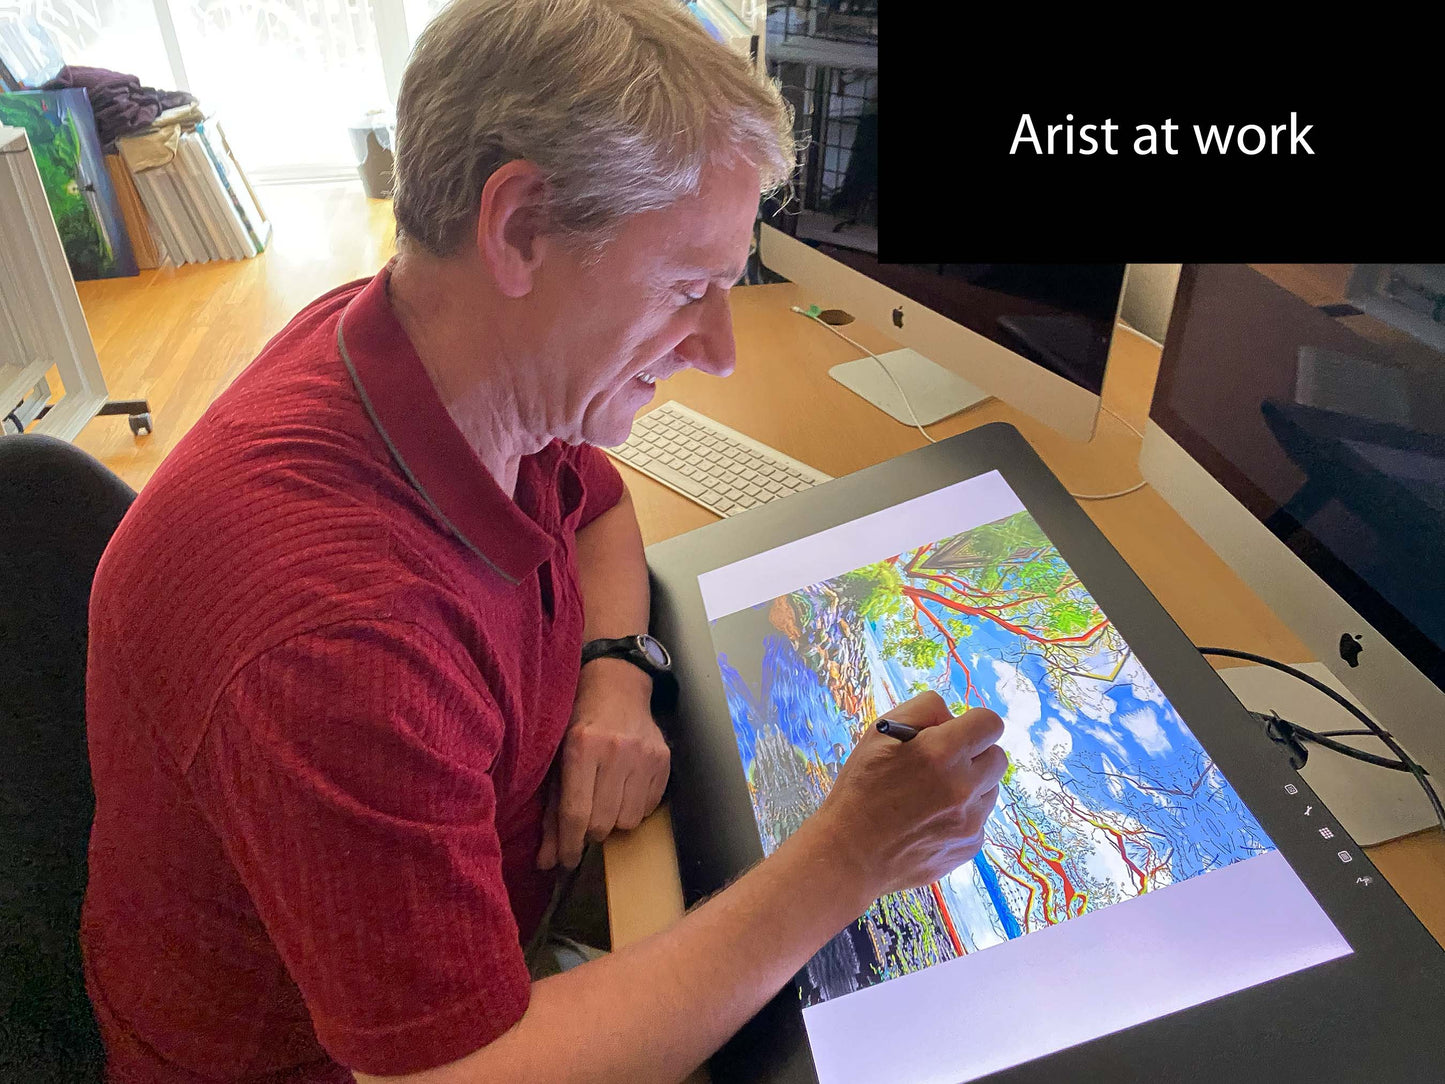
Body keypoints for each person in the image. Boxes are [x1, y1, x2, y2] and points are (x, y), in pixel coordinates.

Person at [80, 1, 1008, 1081]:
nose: (715, 349)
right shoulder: (332, 630)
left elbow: (599, 507)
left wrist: (611, 673)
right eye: (686, 287)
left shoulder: (439, 348)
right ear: (518, 227)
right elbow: (458, 1073)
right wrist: (845, 858)